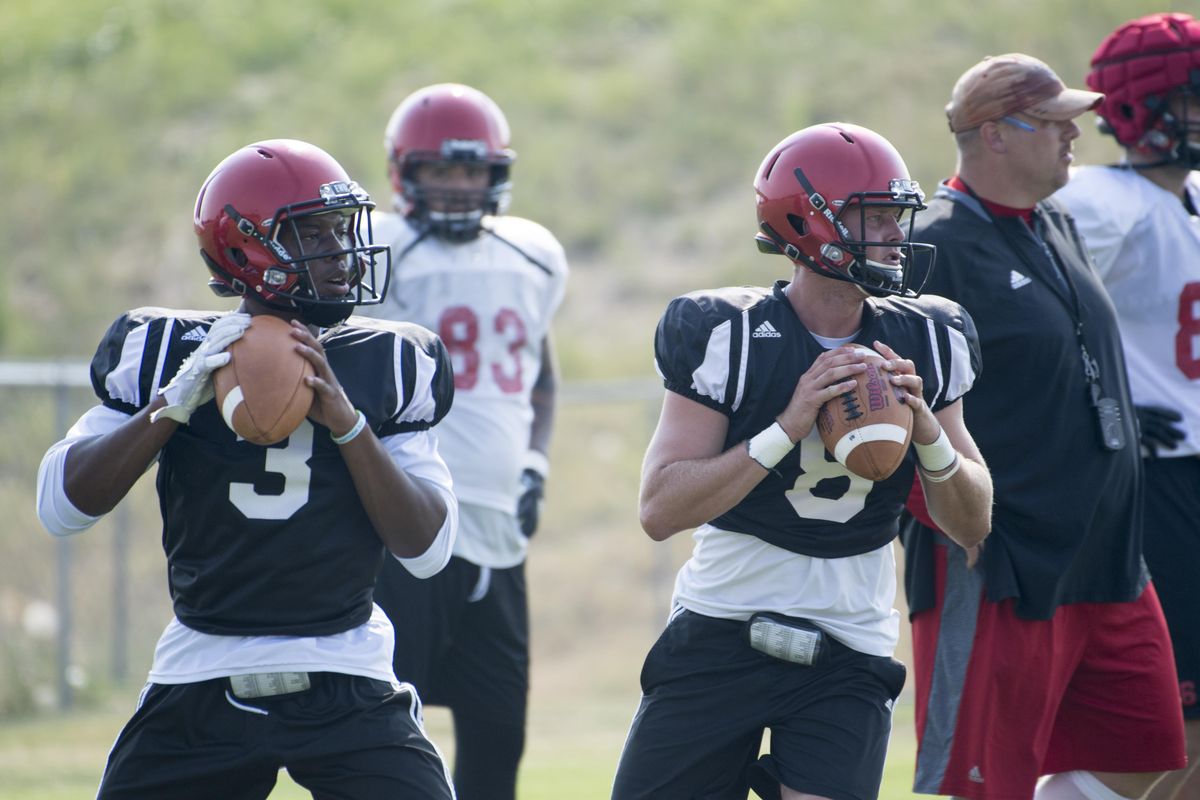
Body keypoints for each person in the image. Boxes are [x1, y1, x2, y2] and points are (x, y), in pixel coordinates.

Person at [35, 139, 459, 799]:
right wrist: (172, 403)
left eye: (341, 230)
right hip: (201, 672)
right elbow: (59, 507)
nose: (342, 255)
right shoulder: (165, 354)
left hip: (347, 672)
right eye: (313, 234)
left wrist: (348, 424)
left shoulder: (388, 358)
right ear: (245, 249)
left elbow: (428, 549)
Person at [610, 122, 993, 800]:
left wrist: (928, 429)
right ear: (808, 221)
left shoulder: (927, 337)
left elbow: (972, 524)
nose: (897, 235)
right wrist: (785, 427)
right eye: (875, 217)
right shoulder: (728, 335)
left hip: (851, 637)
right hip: (723, 621)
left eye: (896, 216)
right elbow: (659, 509)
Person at [901, 53, 1186, 800]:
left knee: (1151, 743)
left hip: (1107, 550)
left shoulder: (1054, 220)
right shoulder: (936, 246)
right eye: (1056, 122)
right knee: (981, 782)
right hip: (1002, 558)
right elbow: (896, 408)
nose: (1075, 137)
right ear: (995, 134)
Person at [361, 83, 568, 800]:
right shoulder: (378, 251)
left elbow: (542, 377)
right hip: (406, 529)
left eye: (471, 171)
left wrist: (536, 463)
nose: (457, 188)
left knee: (498, 736)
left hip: (499, 534)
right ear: (404, 175)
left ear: (495, 174)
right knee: (388, 737)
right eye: (441, 172)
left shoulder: (533, 255)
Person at [1053, 13, 1200, 800]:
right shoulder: (1101, 202)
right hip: (1153, 480)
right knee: (1166, 721)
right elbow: (1030, 316)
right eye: (1195, 98)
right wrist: (1097, 402)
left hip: (1191, 469)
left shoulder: (1190, 199)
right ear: (1147, 105)